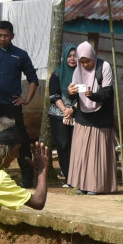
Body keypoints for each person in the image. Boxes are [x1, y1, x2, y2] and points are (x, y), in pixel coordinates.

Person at [0, 20, 40, 187]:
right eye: (0, 35)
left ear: (12, 36)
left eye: (6, 36)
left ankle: (27, 178)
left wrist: (26, 99)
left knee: (21, 141)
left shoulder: (20, 55)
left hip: (11, 106)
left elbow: (33, 79)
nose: (3, 38)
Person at [66, 41, 117, 194]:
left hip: (101, 118)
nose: (85, 64)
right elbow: (74, 94)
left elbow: (107, 93)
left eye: (87, 61)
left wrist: (93, 95)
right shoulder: (78, 70)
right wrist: (71, 91)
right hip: (83, 116)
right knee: (82, 153)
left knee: (97, 154)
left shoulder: (105, 67)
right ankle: (82, 184)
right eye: (82, 62)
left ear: (93, 57)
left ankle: (97, 186)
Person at [46, 46, 78, 183]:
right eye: (69, 56)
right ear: (65, 57)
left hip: (78, 114)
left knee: (76, 145)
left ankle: (77, 176)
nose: (72, 59)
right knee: (63, 145)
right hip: (59, 115)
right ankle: (68, 176)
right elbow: (54, 95)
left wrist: (72, 110)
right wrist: (66, 110)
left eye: (75, 56)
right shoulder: (57, 73)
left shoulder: (83, 74)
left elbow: (84, 96)